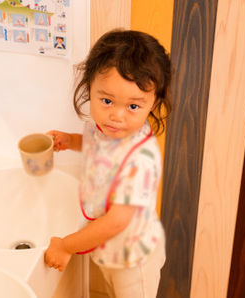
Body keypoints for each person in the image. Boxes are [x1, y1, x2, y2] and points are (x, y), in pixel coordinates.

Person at [44, 29, 171, 297]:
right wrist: (70, 140)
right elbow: (98, 145)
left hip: (134, 260)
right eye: (106, 100)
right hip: (108, 249)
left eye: (133, 106)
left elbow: (116, 221)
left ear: (154, 102)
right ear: (89, 86)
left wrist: (67, 246)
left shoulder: (141, 158)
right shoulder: (106, 128)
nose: (116, 116)